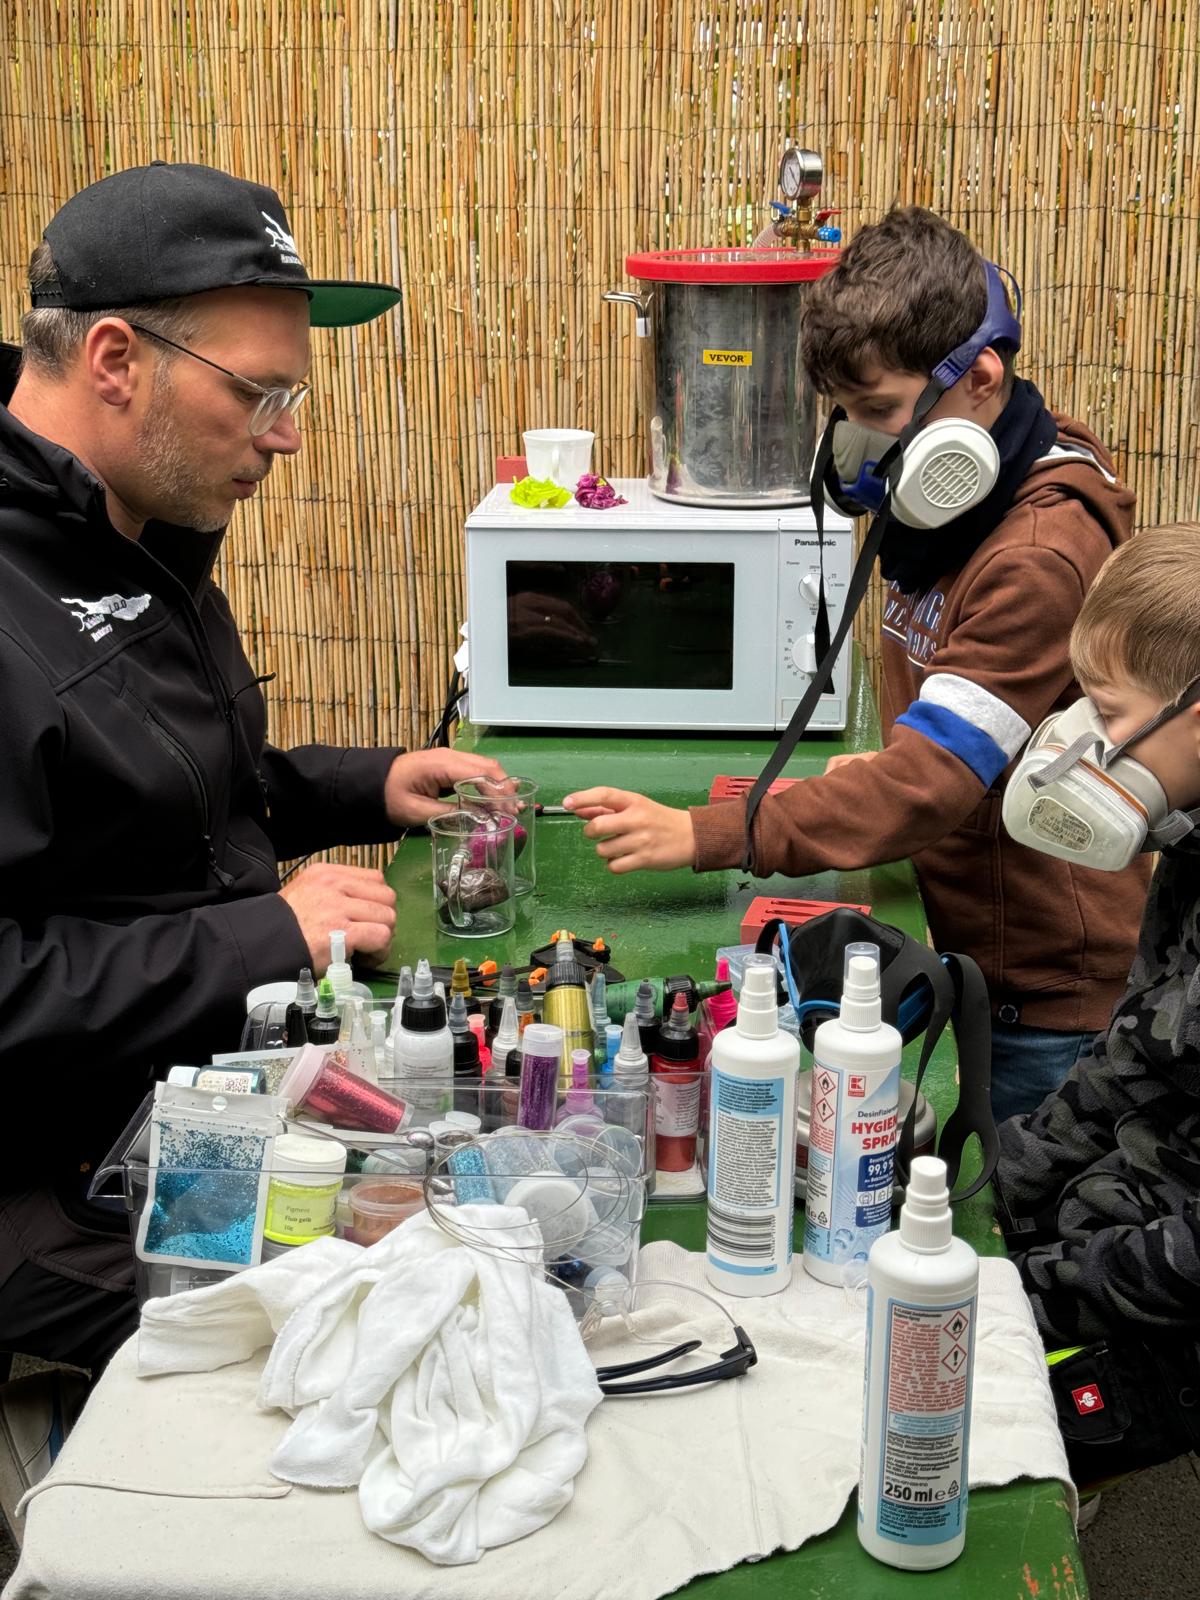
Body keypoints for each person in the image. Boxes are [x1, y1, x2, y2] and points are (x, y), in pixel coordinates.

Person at [0, 162, 501, 1370]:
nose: (287, 432)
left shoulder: (134, 523)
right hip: (46, 1192)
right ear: (115, 360)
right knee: (405, 1325)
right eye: (260, 391)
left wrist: (358, 785)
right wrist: (259, 933)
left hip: (193, 1096)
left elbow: (158, 800)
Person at [564, 206, 1148, 1120]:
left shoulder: (1036, 553)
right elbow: (972, 725)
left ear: (981, 379)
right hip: (970, 946)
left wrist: (713, 834)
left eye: (879, 410)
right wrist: (894, 763)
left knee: (1019, 1241)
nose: (862, 443)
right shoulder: (966, 497)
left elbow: (932, 782)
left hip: (1045, 998)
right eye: (846, 414)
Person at [995, 523, 1200, 1483]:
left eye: (1109, 712)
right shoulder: (1190, 838)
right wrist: (1004, 1181)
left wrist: (1024, 1295)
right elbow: (1143, 1046)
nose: (1088, 743)